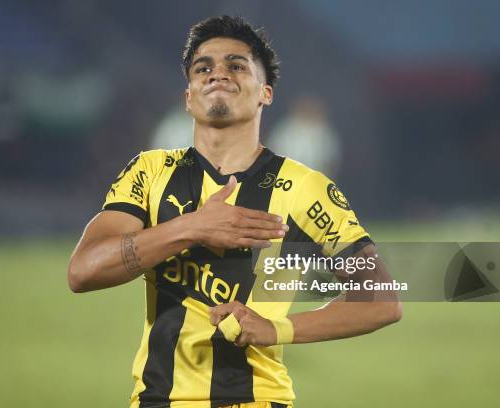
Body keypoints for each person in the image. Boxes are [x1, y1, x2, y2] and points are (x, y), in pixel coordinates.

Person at [68, 16, 402, 408]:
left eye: (236, 65)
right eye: (203, 67)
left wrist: (275, 328)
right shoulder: (150, 171)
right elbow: (83, 272)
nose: (218, 74)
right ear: (189, 96)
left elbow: (381, 298)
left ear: (266, 93)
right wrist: (192, 227)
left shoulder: (303, 187)